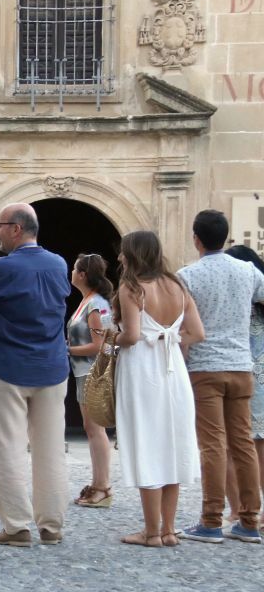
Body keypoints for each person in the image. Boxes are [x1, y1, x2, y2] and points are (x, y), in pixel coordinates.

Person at [0, 203, 70, 548]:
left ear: (15, 228)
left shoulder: (2, 267)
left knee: (6, 447)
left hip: (9, 364)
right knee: (51, 448)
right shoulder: (59, 264)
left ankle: (16, 525)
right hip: (52, 366)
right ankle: (52, 525)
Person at [112, 231, 204, 547]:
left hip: (143, 369)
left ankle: (151, 532)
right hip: (173, 369)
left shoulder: (132, 288)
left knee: (148, 444)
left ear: (134, 255)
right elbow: (198, 332)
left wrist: (112, 340)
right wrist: (170, 337)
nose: (120, 257)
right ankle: (168, 529)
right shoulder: (177, 287)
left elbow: (133, 335)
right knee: (172, 444)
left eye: (123, 253)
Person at [177, 210, 264, 544]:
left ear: (196, 239)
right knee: (243, 443)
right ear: (227, 238)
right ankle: (250, 519)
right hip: (241, 365)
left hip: (205, 368)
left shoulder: (188, 275)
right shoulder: (247, 270)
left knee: (213, 444)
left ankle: (212, 519)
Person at [67, 253, 115, 508]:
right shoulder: (89, 301)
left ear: (83, 274)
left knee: (95, 429)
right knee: (91, 428)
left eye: (75, 268)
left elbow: (99, 345)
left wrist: (66, 350)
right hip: (82, 371)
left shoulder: (95, 304)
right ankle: (98, 483)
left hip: (90, 373)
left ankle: (103, 486)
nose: (71, 272)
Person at [224, 245, 264, 528]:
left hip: (234, 371)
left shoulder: (231, 297)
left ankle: (237, 510)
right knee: (258, 447)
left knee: (227, 445)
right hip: (258, 376)